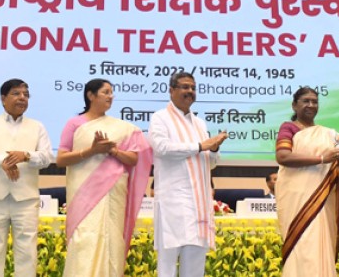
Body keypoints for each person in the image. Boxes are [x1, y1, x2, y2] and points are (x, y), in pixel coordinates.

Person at [55, 78, 152, 276]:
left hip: (114, 193)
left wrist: (113, 151)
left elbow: (133, 159)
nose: (111, 96)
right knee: (84, 240)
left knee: (112, 240)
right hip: (84, 195)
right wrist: (92, 151)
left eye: (111, 92)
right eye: (105, 92)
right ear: (91, 95)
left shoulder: (123, 128)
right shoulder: (75, 124)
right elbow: (61, 159)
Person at [0, 79, 55, 277]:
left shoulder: (37, 126)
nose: (22, 98)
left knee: (27, 252)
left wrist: (26, 156)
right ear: (3, 98)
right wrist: (3, 160)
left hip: (26, 199)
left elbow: (47, 157)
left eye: (26, 94)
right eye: (16, 93)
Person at [150, 72, 228, 277]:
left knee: (195, 263)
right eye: (185, 87)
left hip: (199, 202)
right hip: (173, 200)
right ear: (171, 90)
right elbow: (162, 148)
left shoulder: (199, 123)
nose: (190, 91)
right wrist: (201, 145)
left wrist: (213, 149)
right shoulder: (160, 118)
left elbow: (210, 163)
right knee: (167, 264)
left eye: (193, 88)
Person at [275, 87, 339, 276]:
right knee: (302, 248)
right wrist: (322, 159)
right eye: (306, 101)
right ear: (294, 105)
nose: (311, 105)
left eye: (314, 101)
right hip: (297, 200)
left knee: (318, 246)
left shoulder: (330, 135)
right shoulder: (289, 128)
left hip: (322, 201)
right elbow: (283, 156)